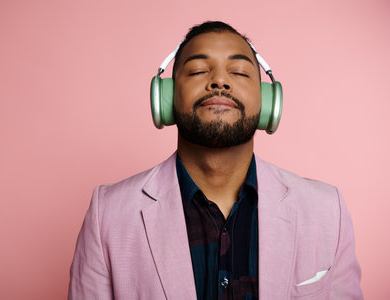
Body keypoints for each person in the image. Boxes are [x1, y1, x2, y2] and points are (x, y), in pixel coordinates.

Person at [68, 21, 363, 299]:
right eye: (197, 71)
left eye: (239, 72)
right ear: (166, 96)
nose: (219, 81)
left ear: (267, 101)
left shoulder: (327, 211)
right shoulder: (107, 214)